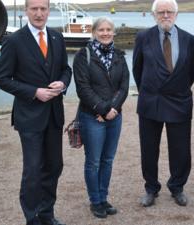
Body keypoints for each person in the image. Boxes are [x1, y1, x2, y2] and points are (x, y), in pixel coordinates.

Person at [0, 0, 72, 224]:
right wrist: (33, 92)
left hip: (54, 115)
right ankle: (32, 217)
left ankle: (47, 214)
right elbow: (2, 79)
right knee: (33, 171)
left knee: (54, 166)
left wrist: (62, 83)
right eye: (34, 9)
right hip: (29, 117)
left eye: (43, 9)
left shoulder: (57, 38)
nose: (39, 14)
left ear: (49, 11)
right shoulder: (14, 41)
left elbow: (65, 69)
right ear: (27, 11)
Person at [132, 0, 194, 207]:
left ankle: (177, 187)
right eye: (161, 12)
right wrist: (150, 90)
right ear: (154, 15)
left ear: (176, 14)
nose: (165, 15)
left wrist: (176, 88)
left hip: (179, 100)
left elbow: (191, 73)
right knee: (149, 149)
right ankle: (151, 188)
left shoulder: (190, 39)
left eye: (169, 12)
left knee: (181, 149)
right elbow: (137, 69)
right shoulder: (143, 37)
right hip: (151, 101)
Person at [73, 17, 129, 219]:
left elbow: (124, 86)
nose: (105, 33)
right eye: (101, 30)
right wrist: (103, 109)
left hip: (115, 116)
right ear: (94, 32)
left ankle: (104, 198)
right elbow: (83, 88)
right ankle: (95, 201)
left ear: (113, 32)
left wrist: (113, 109)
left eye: (109, 30)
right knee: (94, 161)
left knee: (107, 159)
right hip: (91, 116)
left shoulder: (120, 55)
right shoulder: (83, 55)